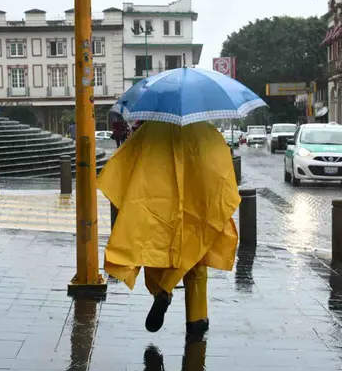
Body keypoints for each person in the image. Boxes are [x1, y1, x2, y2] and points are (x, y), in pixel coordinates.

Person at [97, 120, 240, 338]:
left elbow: (125, 162)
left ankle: (161, 292)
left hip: (158, 207)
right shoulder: (206, 132)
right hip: (196, 208)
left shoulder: (150, 130)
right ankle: (196, 318)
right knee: (195, 259)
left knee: (156, 255)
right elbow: (220, 171)